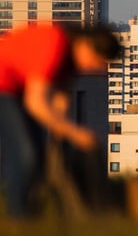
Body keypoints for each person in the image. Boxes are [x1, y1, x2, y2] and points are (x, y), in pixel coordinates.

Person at [0, 23, 120, 218]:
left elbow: (60, 104)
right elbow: (35, 103)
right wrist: (75, 133)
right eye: (96, 62)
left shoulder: (71, 62)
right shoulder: (55, 44)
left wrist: (63, 139)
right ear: (87, 45)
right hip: (4, 88)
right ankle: (18, 218)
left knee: (39, 156)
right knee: (25, 156)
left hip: (17, 91)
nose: (94, 69)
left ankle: (31, 214)